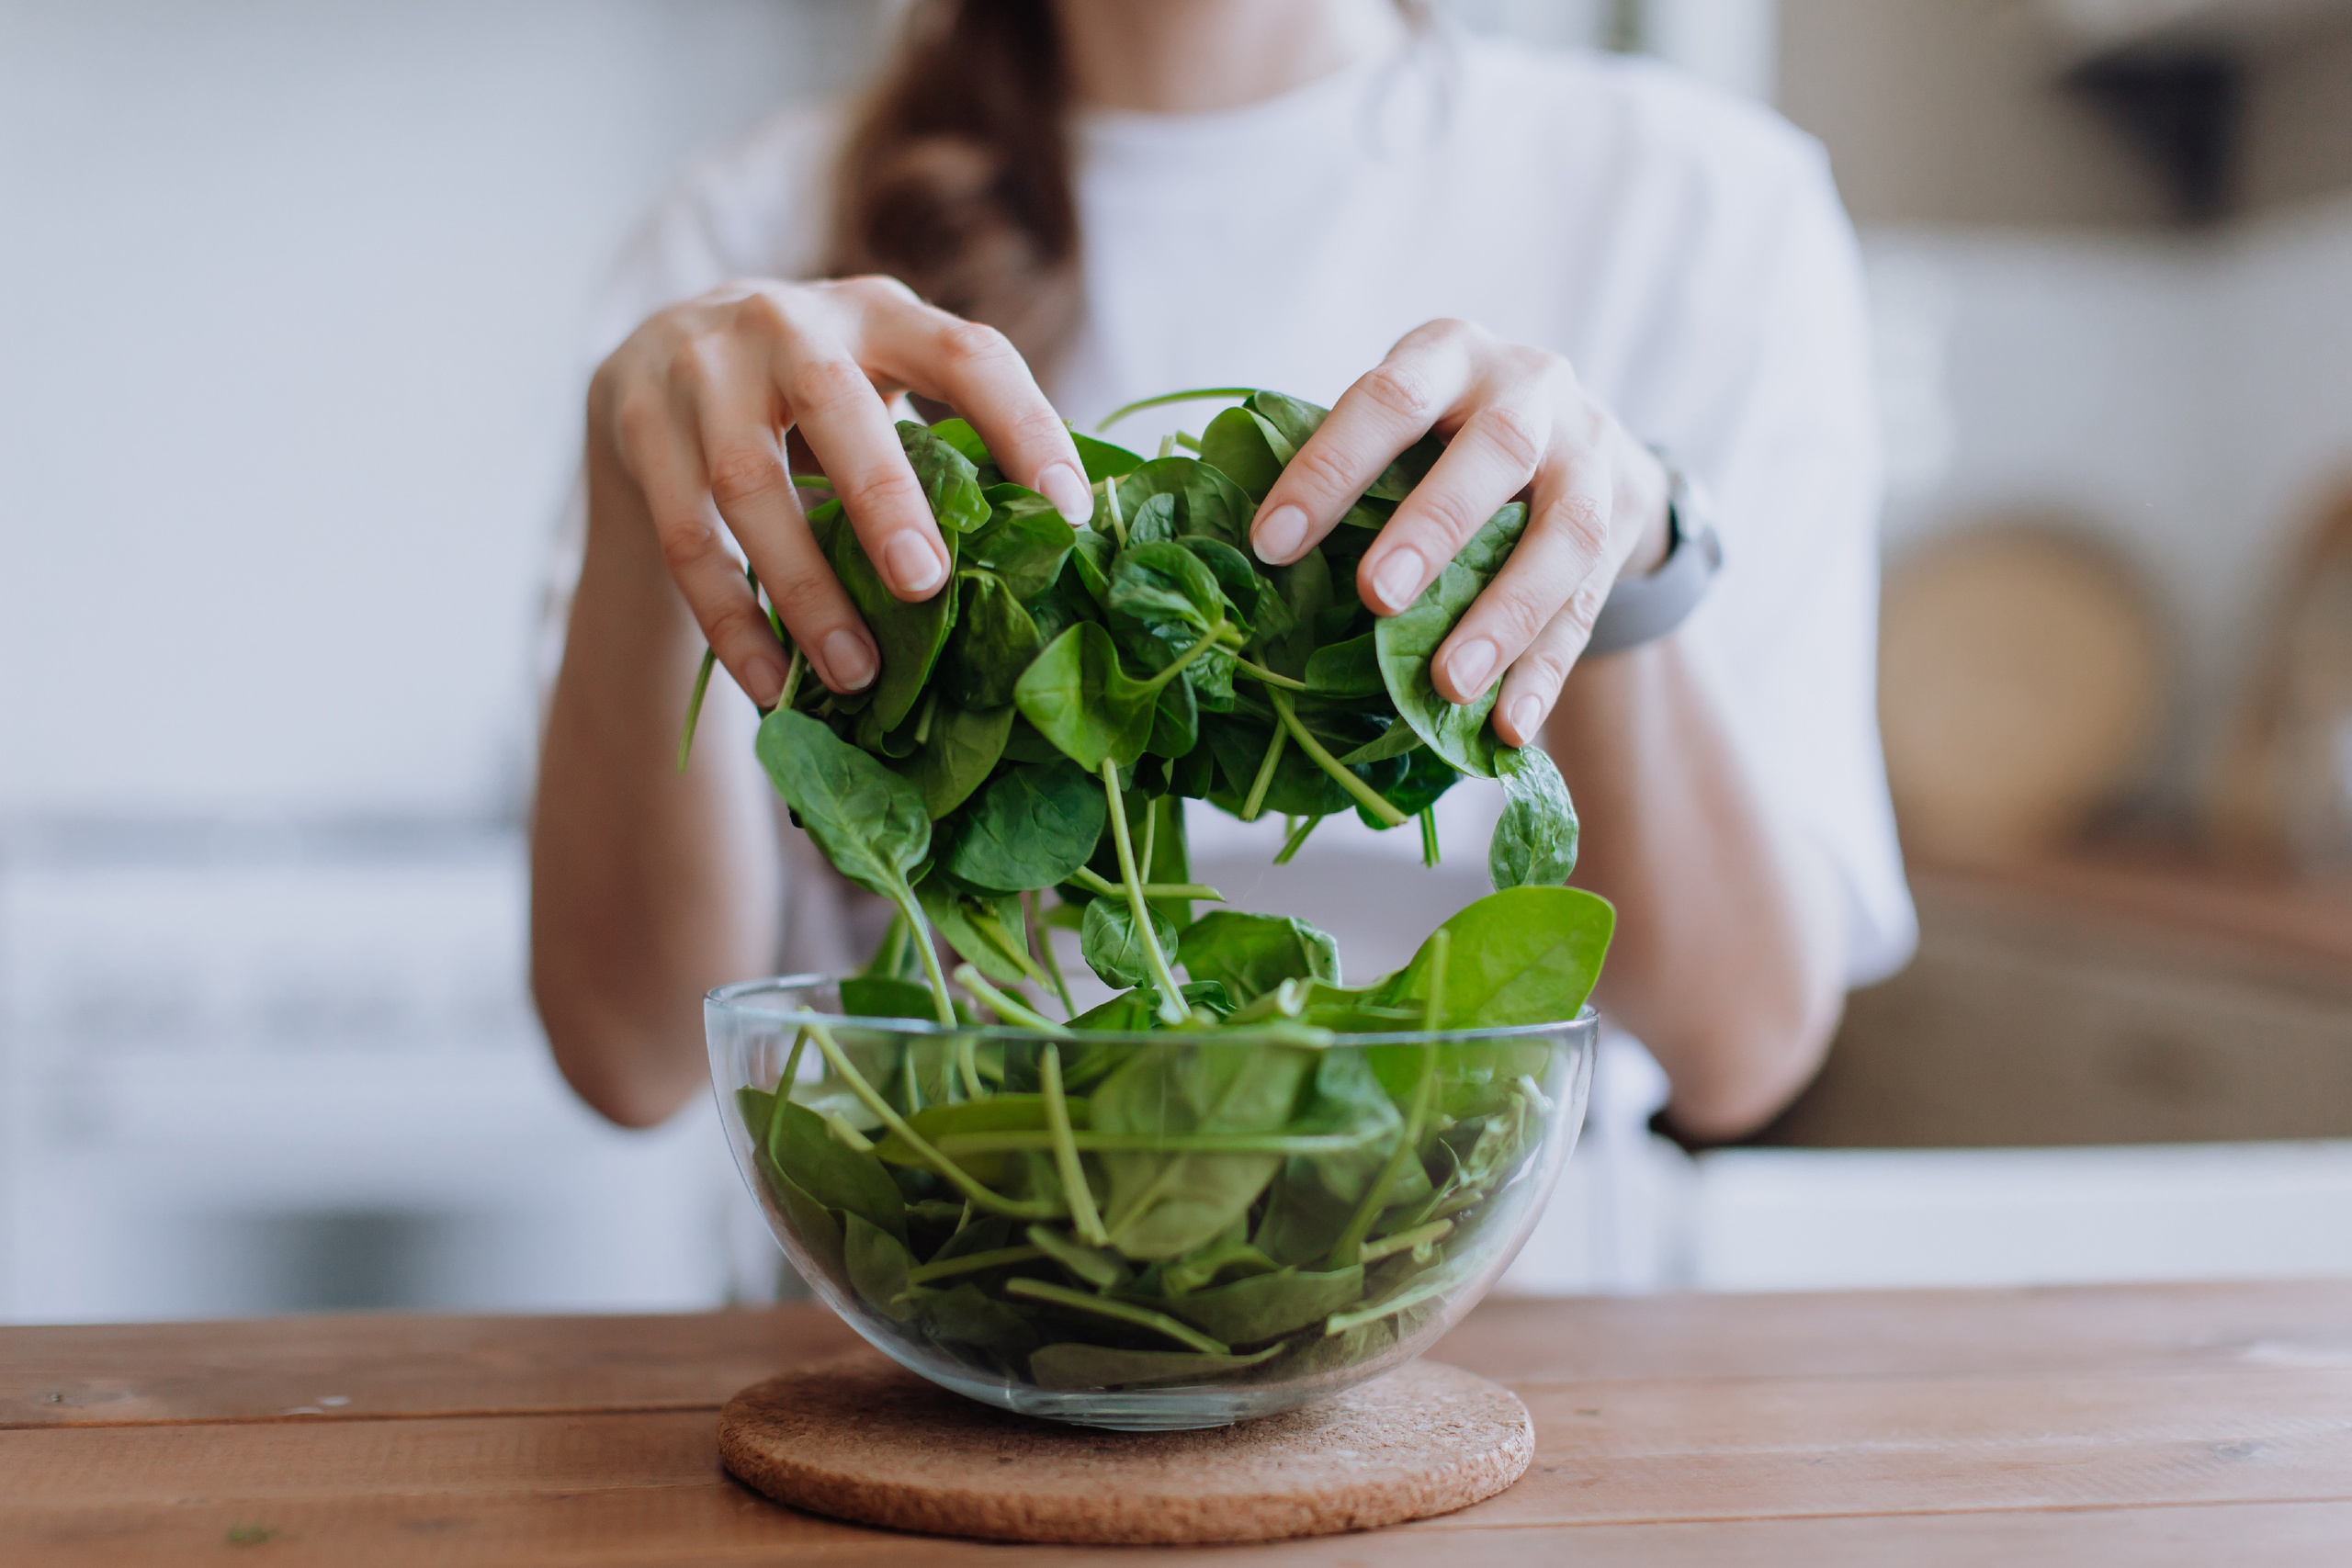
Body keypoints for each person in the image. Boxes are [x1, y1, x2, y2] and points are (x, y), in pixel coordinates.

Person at [531, 0, 1915, 1162]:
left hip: (1502, 1288)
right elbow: (628, 1055)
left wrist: (1621, 557)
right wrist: (635, 485)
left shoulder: (1696, 201)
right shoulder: (748, 230)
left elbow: (1743, 1045)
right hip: (951, 1249)